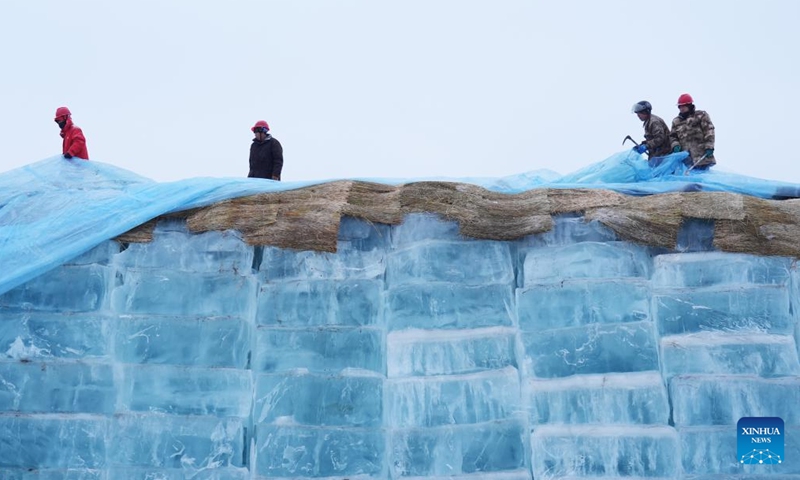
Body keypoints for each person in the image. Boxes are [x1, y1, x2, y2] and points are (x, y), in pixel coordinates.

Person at [669, 93, 715, 170]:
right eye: (680, 106)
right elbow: (672, 136)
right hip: (686, 159)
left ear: (689, 105)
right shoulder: (676, 121)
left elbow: (709, 130)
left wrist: (709, 146)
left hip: (701, 156)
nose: (681, 108)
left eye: (684, 106)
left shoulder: (701, 115)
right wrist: (675, 145)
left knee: (702, 179)